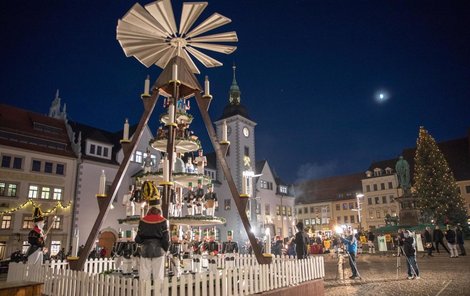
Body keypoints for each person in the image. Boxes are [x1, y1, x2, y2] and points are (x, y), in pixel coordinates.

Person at [134, 201, 169, 283]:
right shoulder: (163, 221)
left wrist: (143, 242)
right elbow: (165, 238)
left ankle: (144, 293)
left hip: (145, 250)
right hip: (159, 250)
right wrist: (166, 249)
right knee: (158, 276)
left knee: (144, 276)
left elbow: (138, 239)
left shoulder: (143, 221)